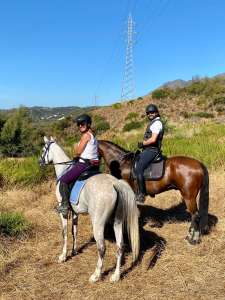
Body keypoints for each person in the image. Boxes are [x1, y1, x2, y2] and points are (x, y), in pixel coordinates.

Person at [57, 114, 99, 217]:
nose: (80, 126)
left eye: (82, 123)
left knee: (63, 180)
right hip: (94, 165)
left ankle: (65, 206)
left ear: (88, 124)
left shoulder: (85, 136)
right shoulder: (93, 136)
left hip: (84, 164)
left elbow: (78, 151)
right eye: (78, 124)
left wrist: (76, 152)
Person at [135, 104, 164, 203]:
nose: (150, 114)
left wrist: (142, 143)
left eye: (152, 112)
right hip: (148, 150)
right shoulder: (153, 123)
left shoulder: (157, 123)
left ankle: (142, 194)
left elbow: (153, 139)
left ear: (156, 112)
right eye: (148, 113)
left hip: (152, 150)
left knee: (138, 168)